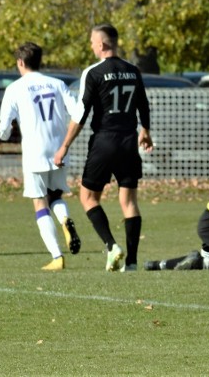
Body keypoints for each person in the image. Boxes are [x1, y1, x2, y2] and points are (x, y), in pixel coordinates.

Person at [54, 24, 153, 272]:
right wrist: (145, 131)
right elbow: (143, 104)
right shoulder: (133, 70)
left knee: (87, 197)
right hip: (129, 141)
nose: (90, 46)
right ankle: (131, 262)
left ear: (101, 44)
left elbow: (81, 114)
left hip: (104, 141)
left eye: (91, 42)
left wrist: (64, 146)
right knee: (129, 201)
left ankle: (111, 246)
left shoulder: (94, 72)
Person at [0, 42, 81, 271]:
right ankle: (65, 220)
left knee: (39, 202)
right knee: (55, 196)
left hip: (35, 152)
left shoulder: (15, 88)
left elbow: (4, 130)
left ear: (20, 62)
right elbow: (77, 113)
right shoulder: (58, 84)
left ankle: (57, 256)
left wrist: (8, 132)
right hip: (59, 150)